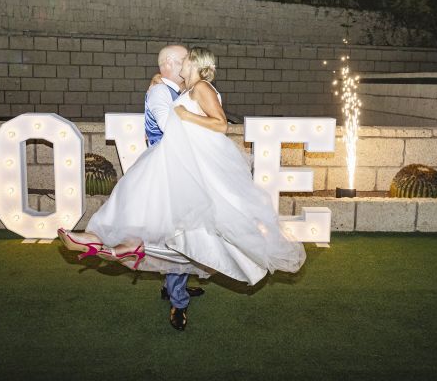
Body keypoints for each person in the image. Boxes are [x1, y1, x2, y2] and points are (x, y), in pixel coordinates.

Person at [59, 47, 306, 331]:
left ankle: (142, 260)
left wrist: (182, 110)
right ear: (174, 65)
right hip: (169, 165)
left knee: (188, 232)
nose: (185, 62)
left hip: (187, 167)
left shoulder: (196, 88)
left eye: (188, 59)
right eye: (182, 59)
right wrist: (163, 87)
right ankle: (119, 249)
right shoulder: (171, 91)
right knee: (169, 226)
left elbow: (217, 123)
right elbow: (172, 120)